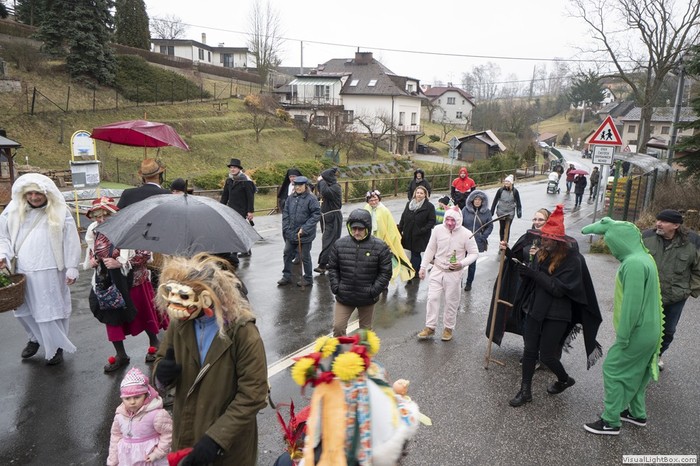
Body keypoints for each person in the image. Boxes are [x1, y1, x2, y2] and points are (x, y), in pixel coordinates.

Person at [153, 253, 268, 466]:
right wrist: (161, 374)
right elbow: (161, 359)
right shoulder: (180, 322)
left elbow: (254, 394)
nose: (177, 307)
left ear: (207, 298)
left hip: (229, 446)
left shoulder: (243, 332)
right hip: (186, 433)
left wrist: (217, 439)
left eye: (185, 297)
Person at [508, 205, 602, 408]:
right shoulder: (541, 253)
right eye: (542, 237)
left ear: (558, 241)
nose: (542, 241)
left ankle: (564, 379)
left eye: (547, 239)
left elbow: (558, 289)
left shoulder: (573, 260)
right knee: (529, 351)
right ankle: (525, 391)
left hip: (557, 314)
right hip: (535, 309)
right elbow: (535, 280)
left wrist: (534, 274)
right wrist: (525, 272)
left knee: (547, 355)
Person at [581, 217, 663, 435]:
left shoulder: (633, 264)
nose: (611, 249)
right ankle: (637, 413)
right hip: (650, 329)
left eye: (611, 243)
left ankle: (610, 421)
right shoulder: (644, 257)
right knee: (638, 372)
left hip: (638, 331)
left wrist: (624, 336)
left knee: (613, 369)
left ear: (620, 241)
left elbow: (631, 306)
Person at [0, 173, 81, 365]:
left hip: (50, 269)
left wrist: (72, 266)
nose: (34, 197)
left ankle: (56, 346)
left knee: (50, 310)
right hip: (23, 269)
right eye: (30, 193)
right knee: (23, 310)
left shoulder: (60, 211)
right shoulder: (13, 210)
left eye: (38, 193)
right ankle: (34, 338)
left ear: (46, 194)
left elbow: (70, 240)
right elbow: (3, 236)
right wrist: (3, 255)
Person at [83, 196, 167, 373]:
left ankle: (155, 344)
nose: (101, 219)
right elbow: (92, 251)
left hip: (133, 280)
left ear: (114, 214)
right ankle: (121, 354)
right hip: (107, 284)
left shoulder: (130, 228)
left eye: (105, 215)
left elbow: (145, 254)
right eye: (97, 216)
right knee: (112, 317)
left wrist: (121, 263)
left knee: (143, 313)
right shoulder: (94, 230)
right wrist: (93, 260)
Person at [642, 209, 700, 370]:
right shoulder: (646, 237)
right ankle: (642, 356)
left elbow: (698, 270)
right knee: (643, 327)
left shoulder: (693, 242)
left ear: (676, 225)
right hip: (648, 293)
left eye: (664, 221)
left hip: (676, 296)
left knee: (668, 330)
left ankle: (658, 355)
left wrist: (690, 290)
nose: (658, 224)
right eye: (658, 220)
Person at [487, 208, 551, 346]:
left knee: (539, 319)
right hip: (525, 284)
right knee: (524, 316)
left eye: (541, 219)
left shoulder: (553, 240)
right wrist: (507, 250)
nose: (536, 222)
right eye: (535, 219)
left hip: (542, 286)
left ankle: (539, 349)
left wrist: (539, 254)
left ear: (548, 221)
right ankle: (530, 349)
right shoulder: (528, 237)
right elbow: (516, 259)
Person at [417, 207, 479, 342]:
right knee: (432, 298)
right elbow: (430, 248)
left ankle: (448, 328)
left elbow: (474, 253)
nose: (450, 223)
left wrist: (462, 263)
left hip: (454, 274)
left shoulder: (466, 234)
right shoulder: (437, 230)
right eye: (447, 220)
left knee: (451, 301)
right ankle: (430, 326)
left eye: (453, 220)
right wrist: (423, 267)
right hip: (437, 269)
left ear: (459, 220)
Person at [328, 209, 393, 336]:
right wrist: (336, 287)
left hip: (367, 298)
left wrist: (373, 291)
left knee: (365, 332)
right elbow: (333, 267)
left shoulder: (380, 247)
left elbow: (385, 272)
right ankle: (342, 348)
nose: (356, 232)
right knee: (338, 327)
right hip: (344, 296)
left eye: (360, 229)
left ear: (367, 228)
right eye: (354, 228)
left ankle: (363, 350)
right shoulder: (339, 244)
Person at [107, 367, 173, 465]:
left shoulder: (156, 415)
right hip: (127, 460)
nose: (132, 402)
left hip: (150, 460)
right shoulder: (120, 416)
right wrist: (113, 461)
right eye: (127, 398)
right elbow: (115, 437)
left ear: (146, 395)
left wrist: (158, 453)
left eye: (137, 397)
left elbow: (168, 434)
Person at [278, 176, 321, 287]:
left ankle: (308, 278)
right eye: (296, 185)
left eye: (300, 185)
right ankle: (286, 276)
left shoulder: (311, 199)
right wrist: (286, 228)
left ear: (305, 186)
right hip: (291, 232)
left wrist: (305, 228)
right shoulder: (290, 198)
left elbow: (316, 215)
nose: (298, 187)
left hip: (305, 234)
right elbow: (285, 214)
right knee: (287, 253)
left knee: (305, 256)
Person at [364, 190, 414, 283]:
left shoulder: (384, 210)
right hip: (370, 240)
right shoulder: (366, 208)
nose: (373, 202)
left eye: (375, 199)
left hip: (383, 240)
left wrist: (390, 242)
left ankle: (386, 279)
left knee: (386, 260)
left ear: (379, 199)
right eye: (371, 200)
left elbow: (390, 227)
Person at [398, 185, 436, 281]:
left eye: (421, 193)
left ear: (425, 195)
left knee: (416, 253)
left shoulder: (429, 206)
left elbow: (432, 221)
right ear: (415, 193)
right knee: (409, 252)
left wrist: (422, 230)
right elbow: (403, 217)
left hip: (420, 235)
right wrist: (400, 229)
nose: (419, 195)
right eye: (417, 193)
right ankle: (413, 270)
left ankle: (414, 272)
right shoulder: (409, 204)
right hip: (408, 233)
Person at [220, 158, 256, 258]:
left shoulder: (246, 181)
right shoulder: (229, 180)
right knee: (235, 230)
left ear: (239, 169)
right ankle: (246, 250)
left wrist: (250, 211)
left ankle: (236, 252)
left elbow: (250, 197)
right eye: (231, 167)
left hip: (242, 209)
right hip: (231, 209)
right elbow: (225, 195)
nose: (232, 169)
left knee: (239, 230)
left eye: (234, 167)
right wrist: (221, 207)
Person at [461, 190, 493, 291]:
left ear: (483, 201)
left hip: (476, 242)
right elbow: (459, 222)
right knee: (460, 262)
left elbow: (490, 226)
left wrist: (483, 237)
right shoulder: (465, 210)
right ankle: (458, 282)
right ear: (472, 200)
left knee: (472, 264)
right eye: (476, 199)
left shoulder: (486, 212)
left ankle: (469, 283)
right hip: (463, 241)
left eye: (479, 199)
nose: (477, 201)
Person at [314, 168, 343, 274]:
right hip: (326, 217)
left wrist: (321, 181)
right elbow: (320, 193)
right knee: (328, 240)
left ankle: (323, 264)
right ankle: (331, 263)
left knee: (329, 240)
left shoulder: (335, 187)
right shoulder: (330, 186)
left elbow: (325, 192)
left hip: (333, 217)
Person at [490, 174, 522, 242]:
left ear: (511, 183)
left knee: (507, 228)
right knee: (502, 227)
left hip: (510, 212)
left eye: (508, 181)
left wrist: (519, 212)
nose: (506, 183)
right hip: (501, 212)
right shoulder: (500, 190)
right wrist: (492, 211)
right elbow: (495, 201)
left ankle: (506, 242)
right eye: (505, 181)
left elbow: (518, 203)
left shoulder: (515, 191)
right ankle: (501, 241)